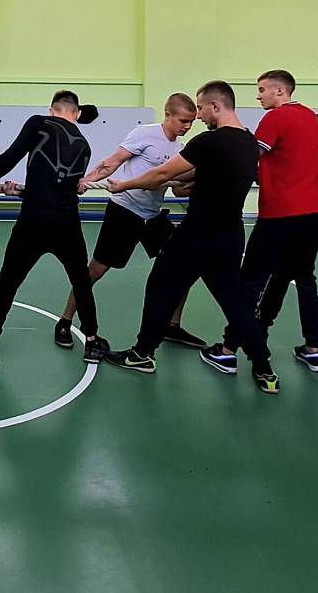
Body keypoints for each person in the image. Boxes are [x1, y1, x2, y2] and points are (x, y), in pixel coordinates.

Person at [102, 82, 277, 393]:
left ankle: (142, 354)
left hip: (197, 233)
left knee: (160, 287)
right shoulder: (249, 143)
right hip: (230, 235)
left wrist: (124, 185)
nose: (199, 115)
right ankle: (265, 370)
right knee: (235, 303)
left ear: (215, 106)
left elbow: (162, 174)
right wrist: (170, 180)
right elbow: (192, 176)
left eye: (201, 108)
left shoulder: (209, 141)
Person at [0, 90, 108, 365]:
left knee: (9, 280)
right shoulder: (84, 146)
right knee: (81, 282)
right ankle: (92, 342)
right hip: (67, 223)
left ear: (52, 110)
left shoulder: (39, 123)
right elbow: (59, 188)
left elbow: (8, 159)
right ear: (76, 114)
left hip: (34, 221)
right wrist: (20, 192)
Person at [59, 93, 201, 350]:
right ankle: (65, 320)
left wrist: (207, 180)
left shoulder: (180, 149)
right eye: (183, 120)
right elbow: (112, 162)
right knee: (96, 270)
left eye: (191, 122)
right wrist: (86, 180)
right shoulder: (145, 133)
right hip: (124, 210)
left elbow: (178, 189)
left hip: (153, 216)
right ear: (168, 115)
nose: (187, 126)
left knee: (185, 263)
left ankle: (172, 325)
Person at [239, 69, 318, 370]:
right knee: (304, 277)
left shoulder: (275, 118)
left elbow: (248, 157)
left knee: (252, 279)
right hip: (313, 212)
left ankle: (228, 347)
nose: (258, 95)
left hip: (280, 212)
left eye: (262, 89)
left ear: (280, 91)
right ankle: (313, 347)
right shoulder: (311, 118)